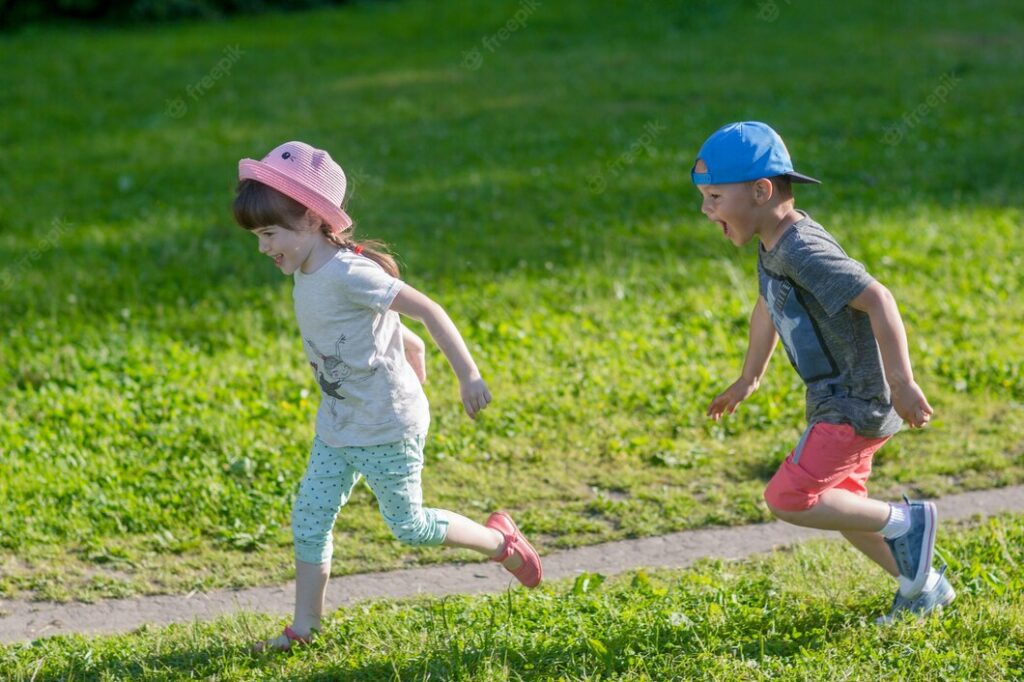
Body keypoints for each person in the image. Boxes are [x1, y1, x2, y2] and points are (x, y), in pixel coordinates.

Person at [232, 141, 542, 651]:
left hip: (386, 425)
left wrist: (468, 375)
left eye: (270, 233)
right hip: (338, 425)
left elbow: (429, 310)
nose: (264, 247)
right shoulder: (309, 267)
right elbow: (374, 325)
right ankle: (305, 628)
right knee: (309, 519)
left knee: (411, 527)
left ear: (311, 219)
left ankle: (501, 542)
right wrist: (412, 350)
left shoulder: (349, 272)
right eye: (258, 236)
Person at [692, 122, 953, 623]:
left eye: (715, 197)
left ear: (761, 191)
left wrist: (902, 383)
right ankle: (925, 588)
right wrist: (748, 379)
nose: (707, 210)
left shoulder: (801, 249)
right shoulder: (775, 245)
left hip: (855, 400)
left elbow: (878, 297)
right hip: (843, 399)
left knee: (788, 498)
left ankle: (908, 522)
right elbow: (767, 306)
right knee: (843, 506)